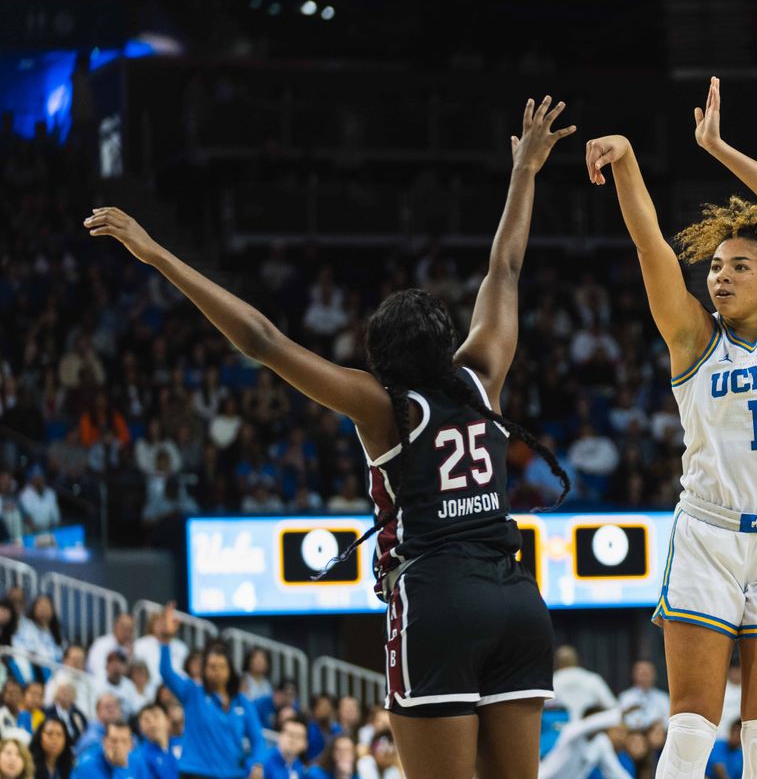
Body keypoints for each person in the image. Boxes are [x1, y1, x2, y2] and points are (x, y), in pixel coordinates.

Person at [85, 96, 575, 779]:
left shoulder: (385, 408)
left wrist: (155, 252)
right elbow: (505, 270)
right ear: (444, 343)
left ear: (381, 360)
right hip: (520, 602)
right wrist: (525, 169)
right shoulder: (484, 373)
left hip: (438, 600)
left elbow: (261, 339)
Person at [587, 76, 757, 779]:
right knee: (692, 731)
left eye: (739, 266)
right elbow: (652, 249)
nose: (721, 277)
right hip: (710, 535)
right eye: (716, 267)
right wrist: (629, 163)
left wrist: (718, 148)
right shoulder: (695, 340)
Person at [154, 612, 265, 779]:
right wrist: (165, 641)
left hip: (233, 774)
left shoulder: (242, 702)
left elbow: (258, 740)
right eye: (212, 666)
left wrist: (257, 764)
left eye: (221, 666)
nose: (217, 672)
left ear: (230, 670)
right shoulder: (193, 693)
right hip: (195, 773)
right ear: (204, 669)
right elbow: (167, 673)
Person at [539, 705, 633, 779]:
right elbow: (587, 725)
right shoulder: (571, 732)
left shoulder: (601, 742)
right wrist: (619, 713)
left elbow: (615, 771)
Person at [553, 647, 618, 722]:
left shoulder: (553, 681)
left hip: (559, 727)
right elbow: (611, 706)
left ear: (556, 662)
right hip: (588, 727)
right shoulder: (592, 678)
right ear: (577, 660)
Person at [618, 661, 670, 731]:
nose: (645, 677)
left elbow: (668, 721)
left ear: (655, 675)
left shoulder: (663, 697)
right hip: (632, 735)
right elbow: (621, 720)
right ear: (634, 675)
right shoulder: (625, 697)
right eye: (642, 673)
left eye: (648, 673)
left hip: (658, 737)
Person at [129, 704, 177, 779]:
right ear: (140, 727)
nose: (152, 723)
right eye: (146, 719)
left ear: (168, 720)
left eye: (156, 716)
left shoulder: (185, 747)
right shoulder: (137, 757)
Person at [85, 617, 134, 681]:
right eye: (124, 628)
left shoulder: (131, 648)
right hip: (101, 683)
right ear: (115, 627)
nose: (127, 633)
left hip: (122, 686)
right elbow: (96, 670)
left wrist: (130, 657)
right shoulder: (101, 644)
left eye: (130, 630)